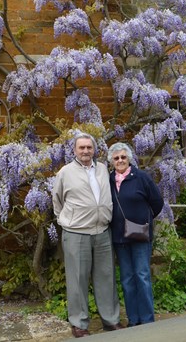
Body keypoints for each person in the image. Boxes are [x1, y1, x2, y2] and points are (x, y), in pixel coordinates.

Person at [52, 133, 124, 338]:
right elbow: (57, 200)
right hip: (76, 233)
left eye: (88, 148)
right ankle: (79, 323)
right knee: (77, 280)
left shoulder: (102, 169)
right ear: (74, 150)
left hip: (102, 231)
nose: (85, 151)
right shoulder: (65, 172)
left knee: (106, 278)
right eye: (81, 147)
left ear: (94, 149)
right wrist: (66, 220)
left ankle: (110, 319)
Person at [107, 142, 164, 327]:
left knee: (142, 275)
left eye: (123, 157)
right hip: (119, 238)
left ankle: (147, 320)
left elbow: (157, 202)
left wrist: (144, 220)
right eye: (116, 158)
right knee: (127, 279)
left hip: (140, 236)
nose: (120, 160)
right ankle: (133, 320)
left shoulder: (141, 177)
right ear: (112, 161)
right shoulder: (107, 180)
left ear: (129, 158)